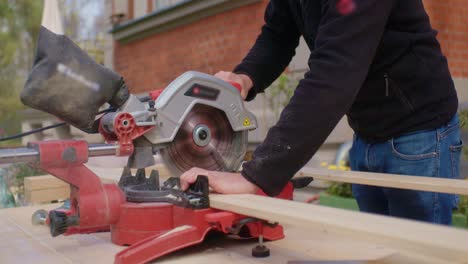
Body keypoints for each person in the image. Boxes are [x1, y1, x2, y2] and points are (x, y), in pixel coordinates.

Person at [180, 0, 463, 225]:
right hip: (367, 130)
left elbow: (333, 74)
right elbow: (278, 34)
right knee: (380, 246)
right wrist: (245, 77)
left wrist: (254, 177)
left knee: (416, 251)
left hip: (420, 132)